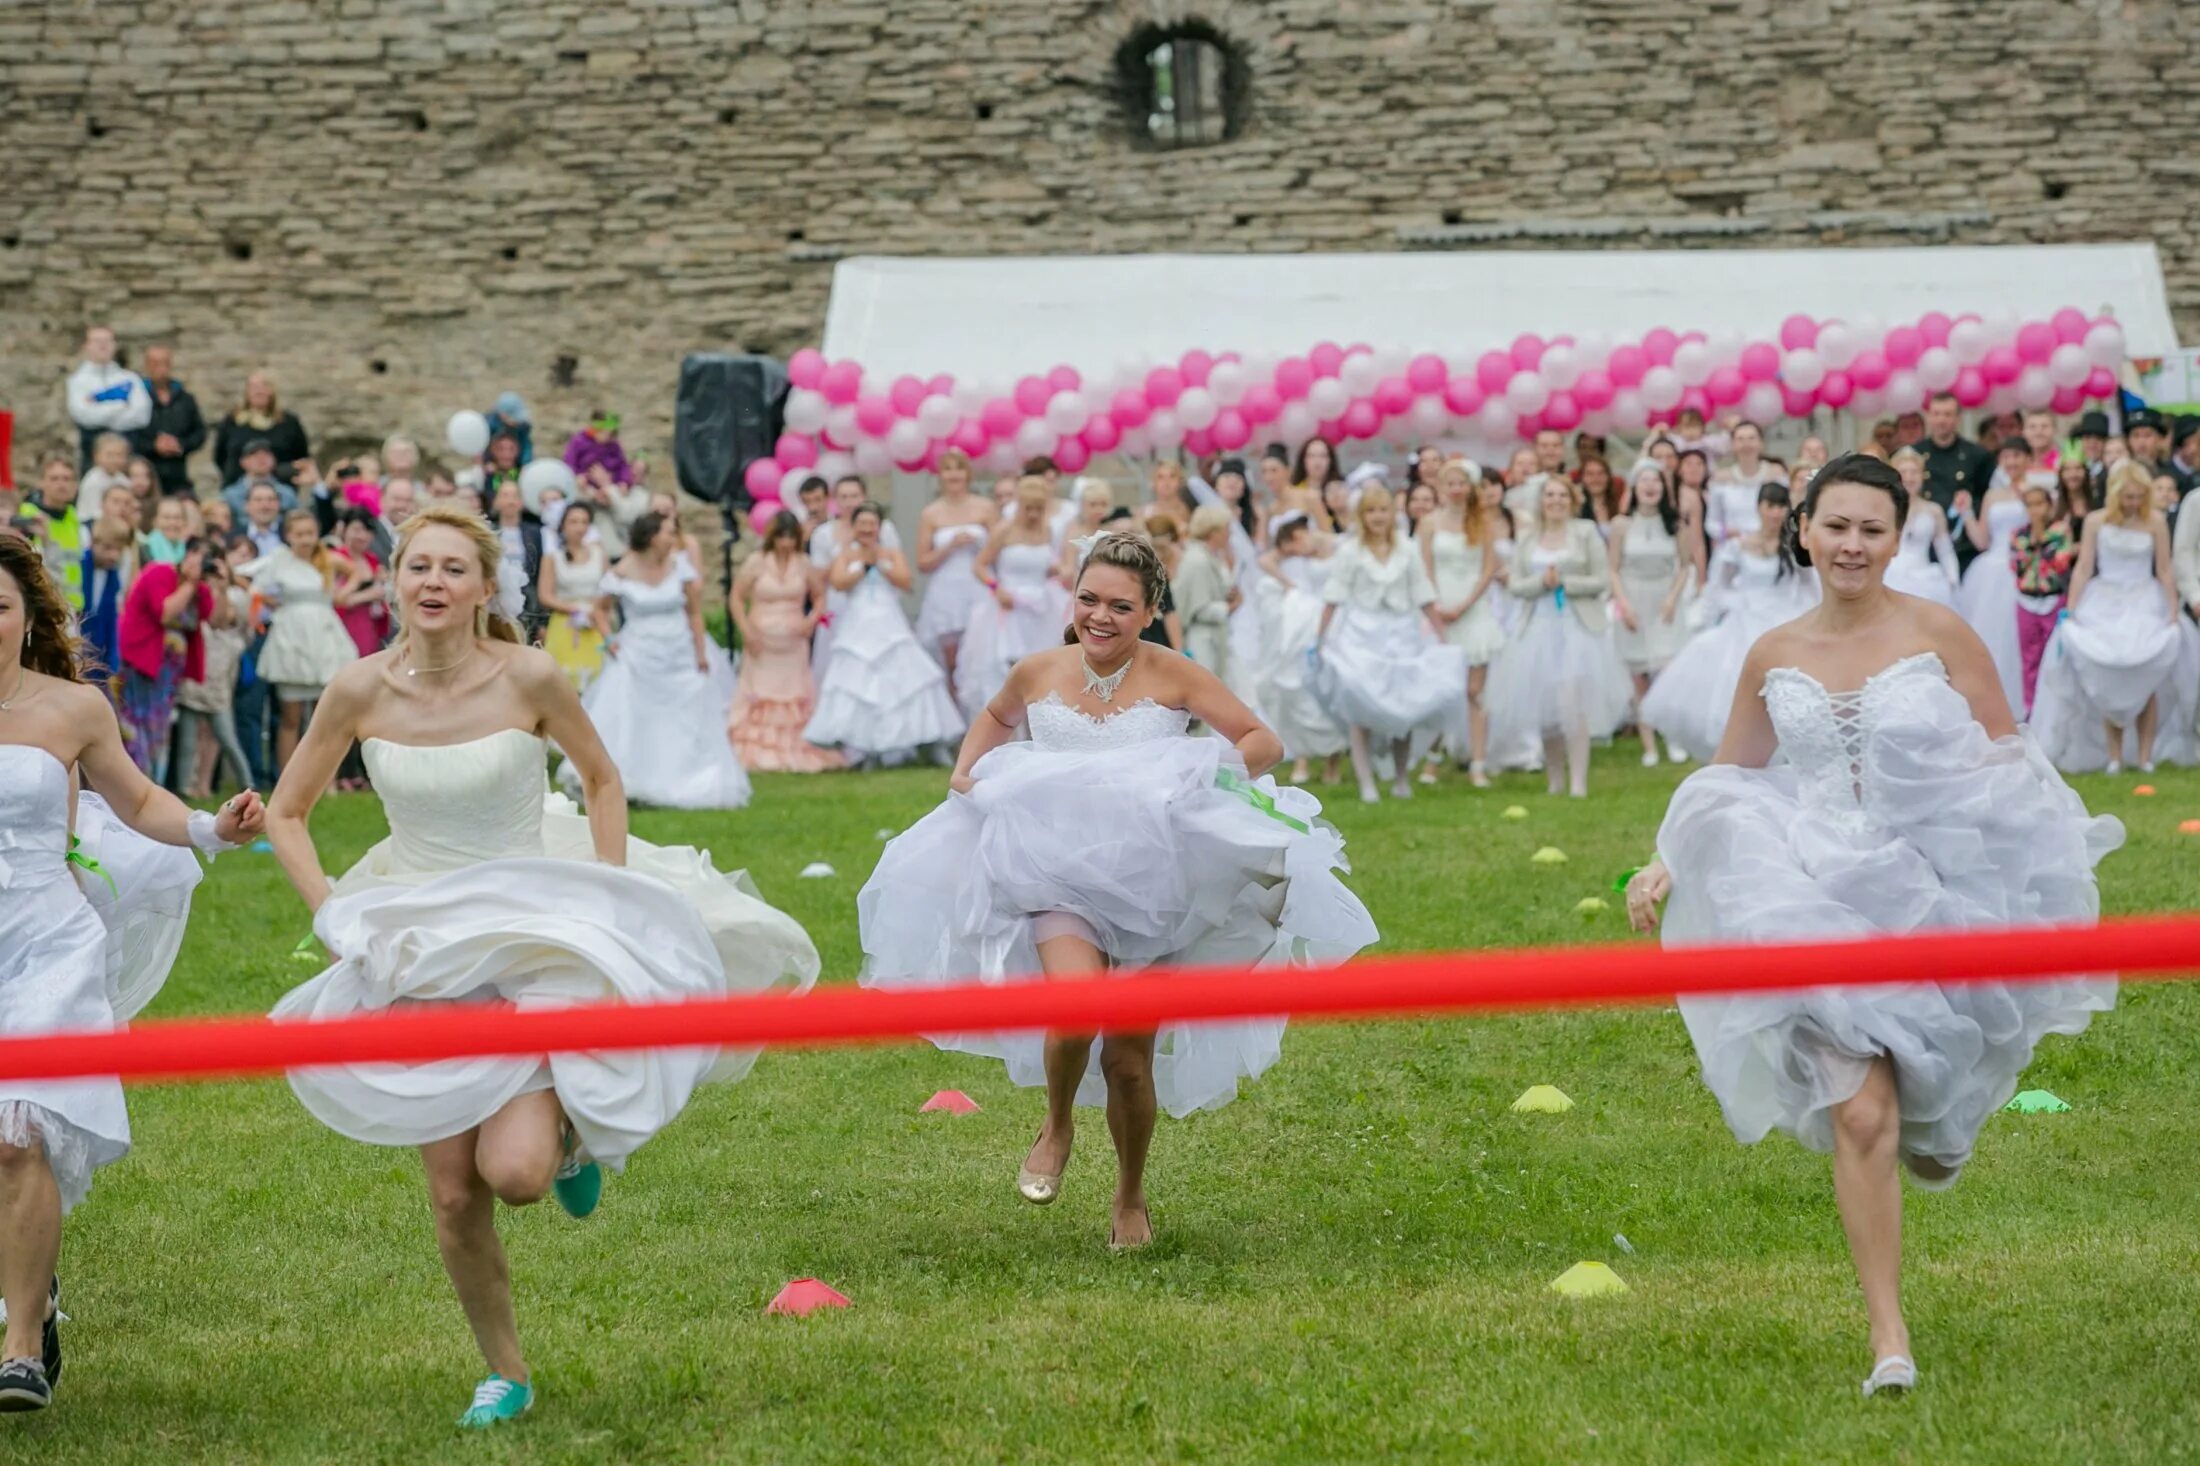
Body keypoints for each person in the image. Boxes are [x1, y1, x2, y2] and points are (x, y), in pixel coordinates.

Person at [263, 506, 815, 1427]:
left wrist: (608, 893)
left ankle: (564, 1140)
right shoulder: (358, 690)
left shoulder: (530, 675)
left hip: (531, 929)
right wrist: (334, 915)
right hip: (421, 942)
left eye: (452, 570)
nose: (433, 584)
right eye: (417, 568)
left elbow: (600, 777)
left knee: (512, 1173)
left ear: (486, 588)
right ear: (395, 580)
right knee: (451, 1193)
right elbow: (289, 812)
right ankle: (506, 1371)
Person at [1624, 453, 2120, 1399]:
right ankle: (1889, 1339)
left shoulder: (1939, 631)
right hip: (1809, 883)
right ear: (1802, 527)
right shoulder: (1772, 653)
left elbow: (2007, 758)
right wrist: (1667, 860)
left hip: (1929, 881)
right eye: (1836, 526)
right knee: (1861, 1109)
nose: (1853, 545)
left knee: (1924, 1109)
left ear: (1897, 537)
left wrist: (2010, 866)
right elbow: (1732, 775)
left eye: (1873, 530)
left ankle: (1941, 1114)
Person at [858, 531, 1376, 1252]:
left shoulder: (1175, 674)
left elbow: (1263, 741)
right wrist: (966, 771)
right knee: (1074, 1010)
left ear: (1151, 609)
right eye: (1089, 599)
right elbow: (997, 716)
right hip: (1055, 870)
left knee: (1129, 1057)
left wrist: (1202, 782)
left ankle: (1130, 1195)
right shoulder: (1037, 669)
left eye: (1121, 606)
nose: (1101, 617)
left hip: (1156, 884)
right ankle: (1058, 1124)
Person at [0, 530, 259, 1412]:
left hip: (45, 933)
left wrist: (209, 830)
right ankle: (30, 1288)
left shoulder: (72, 709)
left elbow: (138, 799)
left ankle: (22, 1348)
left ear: (25, 615)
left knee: (21, 1128)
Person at [2028, 462, 2197, 773]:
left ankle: (2145, 756)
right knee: (2107, 672)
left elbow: (2163, 569)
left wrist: (2173, 612)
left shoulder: (2155, 521)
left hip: (2145, 601)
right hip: (2104, 600)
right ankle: (2114, 756)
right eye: (2128, 496)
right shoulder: (2095, 521)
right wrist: (2073, 608)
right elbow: (2084, 566)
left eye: (2138, 496)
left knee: (2146, 670)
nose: (2133, 503)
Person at [574, 510, 748, 808]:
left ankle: (687, 778)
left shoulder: (680, 566)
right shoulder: (622, 570)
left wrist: (701, 653)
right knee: (635, 714)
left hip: (679, 652)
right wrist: (610, 639)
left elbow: (693, 612)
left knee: (686, 713)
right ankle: (632, 780)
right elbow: (599, 610)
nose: (672, 537)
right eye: (668, 531)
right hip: (638, 653)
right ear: (652, 536)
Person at [1641, 484, 1818, 763]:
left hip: (1783, 616)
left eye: (1780, 506)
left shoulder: (1793, 546)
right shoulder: (1738, 546)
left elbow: (1809, 588)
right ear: (1759, 508)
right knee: (1733, 677)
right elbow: (1718, 587)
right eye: (1770, 506)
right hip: (1745, 618)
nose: (1775, 513)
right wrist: (1725, 610)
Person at [1313, 485, 1467, 803]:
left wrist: (1442, 636)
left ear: (1392, 514)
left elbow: (1423, 593)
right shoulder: (1350, 551)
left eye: (1383, 510)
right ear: (1362, 516)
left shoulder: (1407, 550)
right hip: (1361, 635)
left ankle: (1400, 778)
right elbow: (1334, 595)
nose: (1378, 517)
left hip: (1400, 635)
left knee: (1403, 706)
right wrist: (1320, 637)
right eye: (1371, 511)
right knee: (1360, 703)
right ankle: (1366, 780)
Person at [1485, 477, 1633, 797]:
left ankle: (1578, 781)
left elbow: (1600, 579)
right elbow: (1516, 584)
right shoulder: (1528, 537)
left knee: (1572, 704)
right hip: (1537, 627)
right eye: (1550, 495)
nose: (1555, 500)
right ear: (1541, 501)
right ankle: (1555, 780)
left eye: (1561, 495)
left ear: (1571, 499)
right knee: (1546, 707)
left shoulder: (1585, 532)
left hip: (1576, 627)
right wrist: (1542, 582)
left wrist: (1565, 581)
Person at [804, 501, 964, 766]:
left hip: (889, 619)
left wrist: (881, 563)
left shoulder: (891, 553)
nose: (867, 529)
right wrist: (861, 567)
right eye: (862, 524)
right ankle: (866, 747)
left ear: (879, 528)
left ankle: (927, 740)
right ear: (854, 527)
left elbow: (905, 581)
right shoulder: (845, 554)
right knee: (858, 678)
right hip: (858, 620)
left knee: (906, 676)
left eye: (872, 524)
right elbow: (839, 583)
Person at [726, 511, 842, 773]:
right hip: (762, 641)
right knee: (761, 692)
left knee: (795, 692)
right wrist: (746, 630)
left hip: (793, 642)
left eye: (791, 538)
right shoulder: (757, 562)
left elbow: (820, 595)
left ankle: (796, 746)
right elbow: (735, 597)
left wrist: (811, 621)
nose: (786, 544)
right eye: (782, 537)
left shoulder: (803, 563)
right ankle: (757, 748)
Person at [249, 508, 361, 771]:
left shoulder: (327, 559)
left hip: (324, 632)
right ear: (289, 535)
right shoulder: (279, 560)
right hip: (292, 636)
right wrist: (270, 602)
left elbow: (355, 571)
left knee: (324, 715)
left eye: (310, 533)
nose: (306, 539)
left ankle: (325, 778)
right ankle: (287, 775)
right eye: (299, 534)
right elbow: (254, 585)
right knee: (291, 715)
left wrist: (343, 594)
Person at [1421, 460, 1507, 784]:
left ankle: (1478, 762)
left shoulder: (1482, 523)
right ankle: (1432, 758)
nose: (1456, 489)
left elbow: (1489, 570)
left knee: (1474, 691)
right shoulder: (1429, 523)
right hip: (1440, 610)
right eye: (1450, 483)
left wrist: (1465, 604)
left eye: (1462, 483)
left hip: (1473, 609)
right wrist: (1436, 606)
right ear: (1441, 488)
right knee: (1444, 690)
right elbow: (1425, 567)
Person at [957, 477, 1069, 718]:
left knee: (1042, 669)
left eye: (1039, 509)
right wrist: (996, 588)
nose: (1033, 514)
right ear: (1020, 505)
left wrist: (1057, 571)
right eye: (1029, 508)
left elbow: (1045, 564)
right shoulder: (1004, 530)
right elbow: (980, 565)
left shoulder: (1047, 530)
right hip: (1008, 608)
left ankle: (1037, 730)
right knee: (1011, 669)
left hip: (1040, 609)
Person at [1609, 462, 1696, 766]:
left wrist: (1672, 599)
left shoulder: (1676, 524)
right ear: (1634, 487)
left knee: (1666, 670)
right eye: (1644, 480)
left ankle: (1672, 737)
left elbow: (1686, 566)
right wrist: (1624, 605)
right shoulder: (1621, 525)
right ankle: (1648, 746)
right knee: (1639, 676)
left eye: (1656, 481)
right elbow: (1613, 568)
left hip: (1664, 602)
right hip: (1633, 601)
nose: (1650, 486)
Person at [1255, 513, 1347, 785]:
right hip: (1301, 619)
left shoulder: (1329, 545)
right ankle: (1303, 756)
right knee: (1294, 686)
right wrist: (1288, 584)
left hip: (1331, 618)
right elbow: (1265, 560)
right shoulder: (1288, 555)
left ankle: (1334, 759)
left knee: (1330, 684)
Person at [117, 536, 216, 782]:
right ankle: (134, 783)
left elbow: (215, 617)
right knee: (135, 727)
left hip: (167, 674)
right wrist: (190, 584)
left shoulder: (199, 589)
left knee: (159, 731)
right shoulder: (160, 573)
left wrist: (221, 584)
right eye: (200, 555)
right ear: (188, 553)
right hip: (140, 663)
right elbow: (164, 612)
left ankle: (152, 786)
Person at [1953, 450, 2030, 713]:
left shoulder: (2034, 492)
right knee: (1990, 632)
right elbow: (1982, 540)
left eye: (2017, 457)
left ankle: (2024, 700)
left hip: (2022, 565)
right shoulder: (1992, 496)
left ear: (2027, 459)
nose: (2012, 462)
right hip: (1992, 569)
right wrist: (1966, 514)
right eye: (2006, 458)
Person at [912, 448, 997, 680]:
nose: (953, 475)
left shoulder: (986, 507)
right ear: (940, 475)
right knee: (951, 657)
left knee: (981, 651)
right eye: (948, 469)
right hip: (946, 589)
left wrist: (980, 545)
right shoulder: (931, 513)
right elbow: (922, 562)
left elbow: (1000, 549)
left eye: (958, 468)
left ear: (967, 474)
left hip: (979, 585)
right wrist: (949, 546)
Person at [175, 553, 252, 799]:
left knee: (226, 736)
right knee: (187, 740)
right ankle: (183, 787)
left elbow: (219, 620)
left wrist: (220, 589)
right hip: (194, 673)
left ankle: (248, 784)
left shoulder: (236, 597)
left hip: (218, 674)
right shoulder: (193, 592)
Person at [1908, 394, 1994, 567]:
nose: (1941, 420)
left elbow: (1985, 499)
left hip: (1964, 546)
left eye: (1947, 414)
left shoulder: (1977, 455)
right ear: (1929, 417)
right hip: (1924, 544)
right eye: (1937, 414)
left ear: (1958, 418)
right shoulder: (1913, 454)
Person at [535, 500, 609, 690]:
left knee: (598, 680)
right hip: (565, 623)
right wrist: (575, 609)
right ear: (563, 525)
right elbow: (545, 595)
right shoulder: (553, 557)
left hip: (594, 622)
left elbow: (608, 589)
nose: (579, 527)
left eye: (584, 522)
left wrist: (596, 609)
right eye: (574, 522)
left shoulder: (599, 554)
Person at [63, 326, 150, 472]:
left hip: (129, 453)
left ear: (114, 345)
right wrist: (121, 405)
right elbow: (82, 415)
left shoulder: (130, 379)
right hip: (92, 455)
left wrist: (100, 410)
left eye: (107, 341)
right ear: (87, 346)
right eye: (97, 341)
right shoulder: (77, 381)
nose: (102, 346)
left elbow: (142, 415)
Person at [1882, 448, 1960, 608]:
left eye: (1914, 472)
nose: (1909, 478)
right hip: (1889, 576)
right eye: (1903, 472)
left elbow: (1945, 550)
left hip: (1925, 579)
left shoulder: (1934, 510)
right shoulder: (1884, 508)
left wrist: (1953, 580)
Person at [126, 345, 206, 497]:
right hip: (145, 474)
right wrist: (153, 446)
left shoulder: (185, 399)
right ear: (147, 365)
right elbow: (129, 434)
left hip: (178, 474)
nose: (160, 368)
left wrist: (181, 444)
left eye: (164, 363)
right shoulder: (136, 397)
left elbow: (199, 433)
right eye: (155, 363)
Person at [211, 373, 309, 490]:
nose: (259, 391)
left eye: (264, 386)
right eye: (254, 387)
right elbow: (219, 456)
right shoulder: (232, 421)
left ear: (272, 391)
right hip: (237, 489)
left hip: (280, 490)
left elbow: (301, 457)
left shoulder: (288, 423)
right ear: (247, 392)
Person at [1173, 504, 1238, 681]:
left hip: (1216, 636)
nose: (1229, 534)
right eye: (1226, 529)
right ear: (1214, 531)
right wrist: (1230, 607)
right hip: (1202, 640)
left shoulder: (1211, 556)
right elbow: (1199, 608)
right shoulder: (1197, 560)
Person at [1705, 421, 1780, 543]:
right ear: (1733, 444)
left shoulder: (1775, 474)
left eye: (1751, 438)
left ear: (1761, 443)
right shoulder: (1720, 479)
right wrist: (1726, 533)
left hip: (1768, 546)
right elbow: (1711, 523)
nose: (1746, 444)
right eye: (1740, 439)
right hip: (1733, 547)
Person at [560, 410, 632, 487]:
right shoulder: (579, 442)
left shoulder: (614, 446)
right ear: (597, 431)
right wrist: (576, 476)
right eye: (610, 434)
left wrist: (624, 481)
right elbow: (569, 461)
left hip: (606, 484)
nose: (613, 438)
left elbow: (622, 465)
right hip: (584, 484)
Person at [75, 433, 134, 520]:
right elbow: (94, 513)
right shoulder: (93, 481)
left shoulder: (124, 481)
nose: (115, 460)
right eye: (110, 455)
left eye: (119, 455)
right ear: (96, 456)